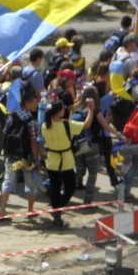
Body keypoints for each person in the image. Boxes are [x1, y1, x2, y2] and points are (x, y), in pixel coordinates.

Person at [40, 98, 94, 228]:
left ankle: (56, 212)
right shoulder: (66, 125)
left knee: (55, 189)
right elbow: (86, 124)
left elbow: (63, 127)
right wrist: (91, 109)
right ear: (59, 112)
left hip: (52, 161)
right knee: (70, 188)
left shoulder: (45, 125)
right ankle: (58, 210)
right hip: (66, 161)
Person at [0, 85, 42, 219]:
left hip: (12, 154)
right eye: (35, 102)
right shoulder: (32, 121)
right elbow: (34, 141)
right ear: (28, 103)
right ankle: (30, 211)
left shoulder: (12, 117)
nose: (37, 104)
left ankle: (2, 212)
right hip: (28, 157)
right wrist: (37, 159)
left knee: (8, 183)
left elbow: (5, 133)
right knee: (31, 185)